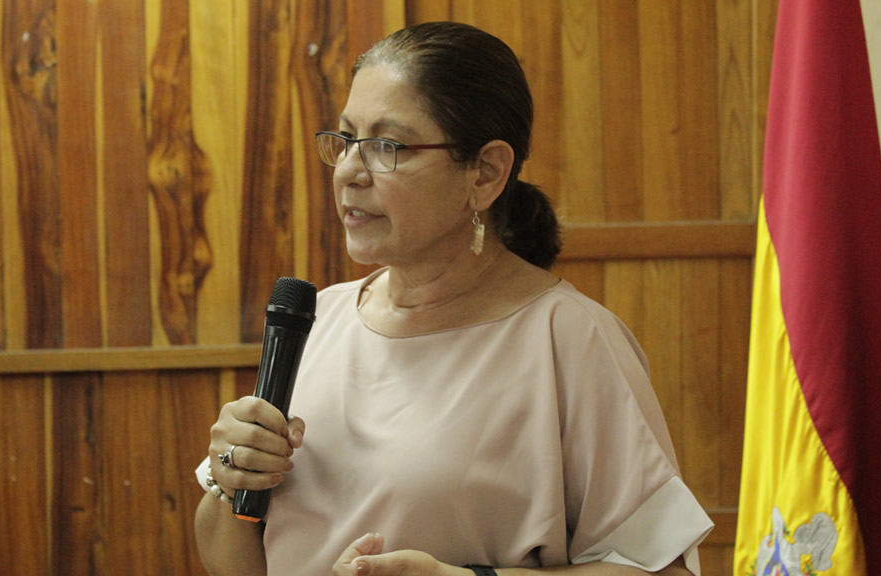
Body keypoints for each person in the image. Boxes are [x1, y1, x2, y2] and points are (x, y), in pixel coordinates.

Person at [193, 21, 713, 576]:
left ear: (486, 173)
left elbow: (659, 569)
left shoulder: (570, 338)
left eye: (386, 146)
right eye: (345, 140)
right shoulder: (318, 321)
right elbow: (233, 561)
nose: (349, 171)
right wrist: (231, 476)